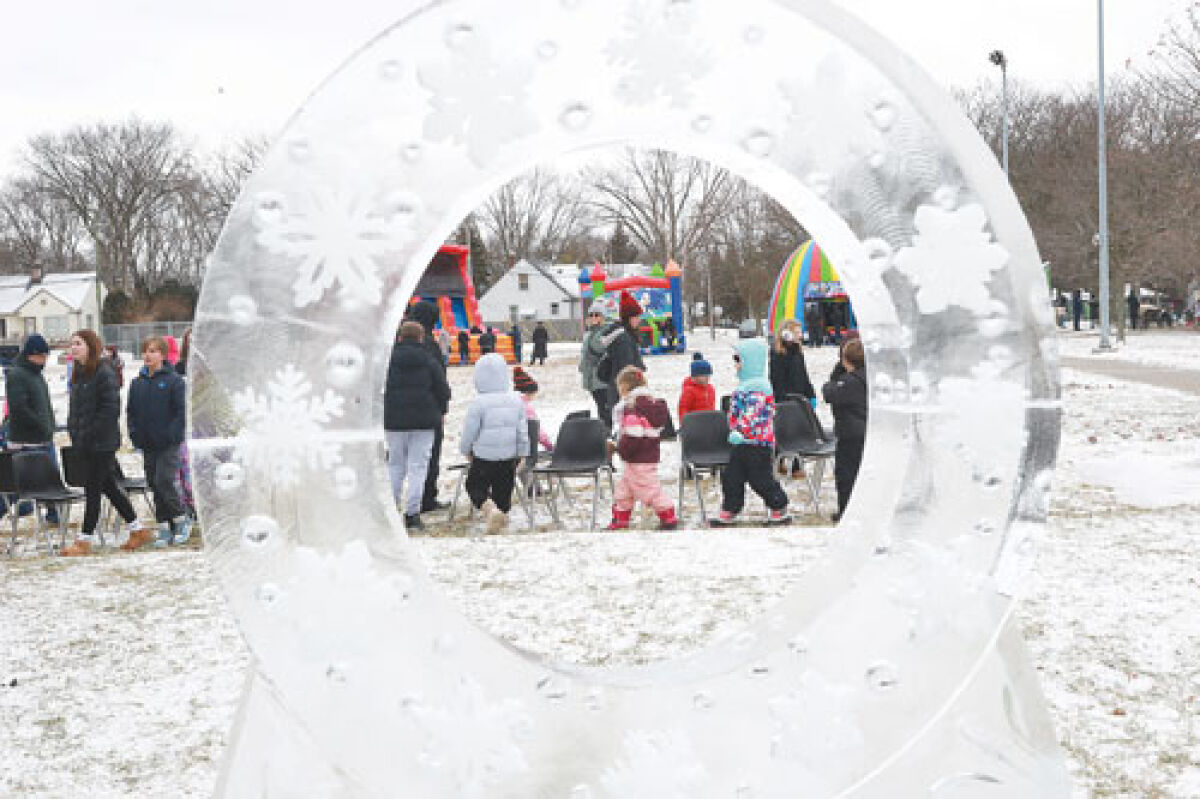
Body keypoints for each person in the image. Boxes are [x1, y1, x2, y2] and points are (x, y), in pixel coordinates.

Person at [60, 329, 144, 556]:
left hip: (102, 443)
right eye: (72, 344)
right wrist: (74, 432)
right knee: (108, 487)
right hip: (85, 442)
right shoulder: (79, 372)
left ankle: (84, 540)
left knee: (93, 488)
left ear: (90, 346)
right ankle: (137, 529)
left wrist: (89, 433)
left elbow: (110, 410)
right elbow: (76, 409)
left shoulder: (103, 371)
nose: (73, 347)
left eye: (78, 343)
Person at [710, 339, 790, 527]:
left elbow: (752, 413)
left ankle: (778, 505)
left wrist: (739, 429)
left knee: (760, 479)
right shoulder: (746, 384)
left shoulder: (759, 386)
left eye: (739, 360)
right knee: (731, 477)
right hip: (742, 443)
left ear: (751, 361)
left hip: (757, 443)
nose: (736, 365)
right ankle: (731, 507)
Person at [384, 321, 451, 530]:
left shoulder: (387, 361)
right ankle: (412, 514)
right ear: (421, 337)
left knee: (395, 465)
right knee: (418, 467)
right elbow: (443, 390)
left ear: (400, 337)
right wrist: (441, 410)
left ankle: (391, 508)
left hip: (394, 420)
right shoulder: (429, 360)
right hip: (424, 420)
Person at [126, 336, 190, 547]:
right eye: (145, 351)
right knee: (154, 482)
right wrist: (135, 434)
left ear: (162, 355)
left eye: (153, 351)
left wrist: (172, 434)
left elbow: (181, 413)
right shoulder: (137, 383)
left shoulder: (174, 381)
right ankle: (164, 524)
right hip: (148, 443)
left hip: (168, 443)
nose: (148, 355)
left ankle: (181, 519)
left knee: (164, 480)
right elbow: (131, 413)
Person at [460, 353, 529, 534]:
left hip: (484, 456)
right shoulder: (516, 400)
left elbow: (470, 431)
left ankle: (489, 509)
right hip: (508, 456)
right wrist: (523, 452)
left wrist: (466, 449)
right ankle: (501, 513)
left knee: (474, 485)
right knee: (503, 489)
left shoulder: (478, 403)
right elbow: (522, 431)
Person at [607, 366, 678, 530]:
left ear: (624, 387)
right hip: (645, 455)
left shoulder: (632, 408)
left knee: (649, 488)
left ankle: (668, 514)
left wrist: (621, 449)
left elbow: (634, 435)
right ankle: (621, 517)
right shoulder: (649, 405)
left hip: (637, 456)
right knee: (624, 488)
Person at [4, 334, 59, 524]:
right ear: (30, 355)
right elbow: (19, 408)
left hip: (43, 437)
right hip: (26, 440)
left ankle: (53, 514)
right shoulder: (17, 374)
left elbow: (42, 403)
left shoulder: (36, 374)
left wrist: (50, 424)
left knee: (50, 479)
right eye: (41, 356)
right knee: (19, 486)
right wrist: (40, 424)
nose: (44, 360)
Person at [405, 301, 452, 513]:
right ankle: (427, 498)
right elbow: (439, 380)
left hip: (400, 411)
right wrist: (443, 408)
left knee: (401, 460)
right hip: (429, 409)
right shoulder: (429, 346)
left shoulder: (401, 343)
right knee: (429, 457)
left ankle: (410, 499)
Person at [822, 338, 868, 522]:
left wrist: (836, 374)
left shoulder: (850, 383)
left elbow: (829, 393)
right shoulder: (869, 377)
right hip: (867, 432)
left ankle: (847, 512)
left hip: (851, 434)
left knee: (847, 476)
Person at [599, 290, 647, 425]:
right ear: (628, 318)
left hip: (620, 389)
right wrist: (636, 386)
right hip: (625, 391)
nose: (639, 320)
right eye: (636, 317)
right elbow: (626, 370)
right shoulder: (624, 340)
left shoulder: (623, 336)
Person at [579, 299, 613, 423]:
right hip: (591, 376)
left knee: (605, 408)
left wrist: (593, 328)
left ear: (603, 316)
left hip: (601, 377)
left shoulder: (605, 330)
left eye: (597, 314)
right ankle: (604, 432)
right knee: (600, 406)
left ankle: (607, 432)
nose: (593, 317)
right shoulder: (591, 332)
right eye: (591, 314)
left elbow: (598, 347)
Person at [769, 319, 816, 408]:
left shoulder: (797, 350)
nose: (800, 335)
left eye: (800, 332)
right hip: (787, 401)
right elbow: (777, 379)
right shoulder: (778, 353)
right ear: (786, 334)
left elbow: (804, 375)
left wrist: (811, 394)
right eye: (797, 333)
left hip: (800, 398)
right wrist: (783, 400)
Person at [512, 366, 554, 452]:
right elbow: (536, 430)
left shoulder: (511, 402)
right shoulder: (526, 407)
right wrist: (548, 445)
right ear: (528, 392)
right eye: (535, 393)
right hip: (523, 449)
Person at [677, 352, 715, 421]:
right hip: (694, 424)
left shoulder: (710, 388)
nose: (707, 378)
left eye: (708, 375)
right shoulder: (689, 391)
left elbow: (712, 407)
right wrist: (686, 425)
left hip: (708, 423)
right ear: (695, 376)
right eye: (704, 375)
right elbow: (683, 410)